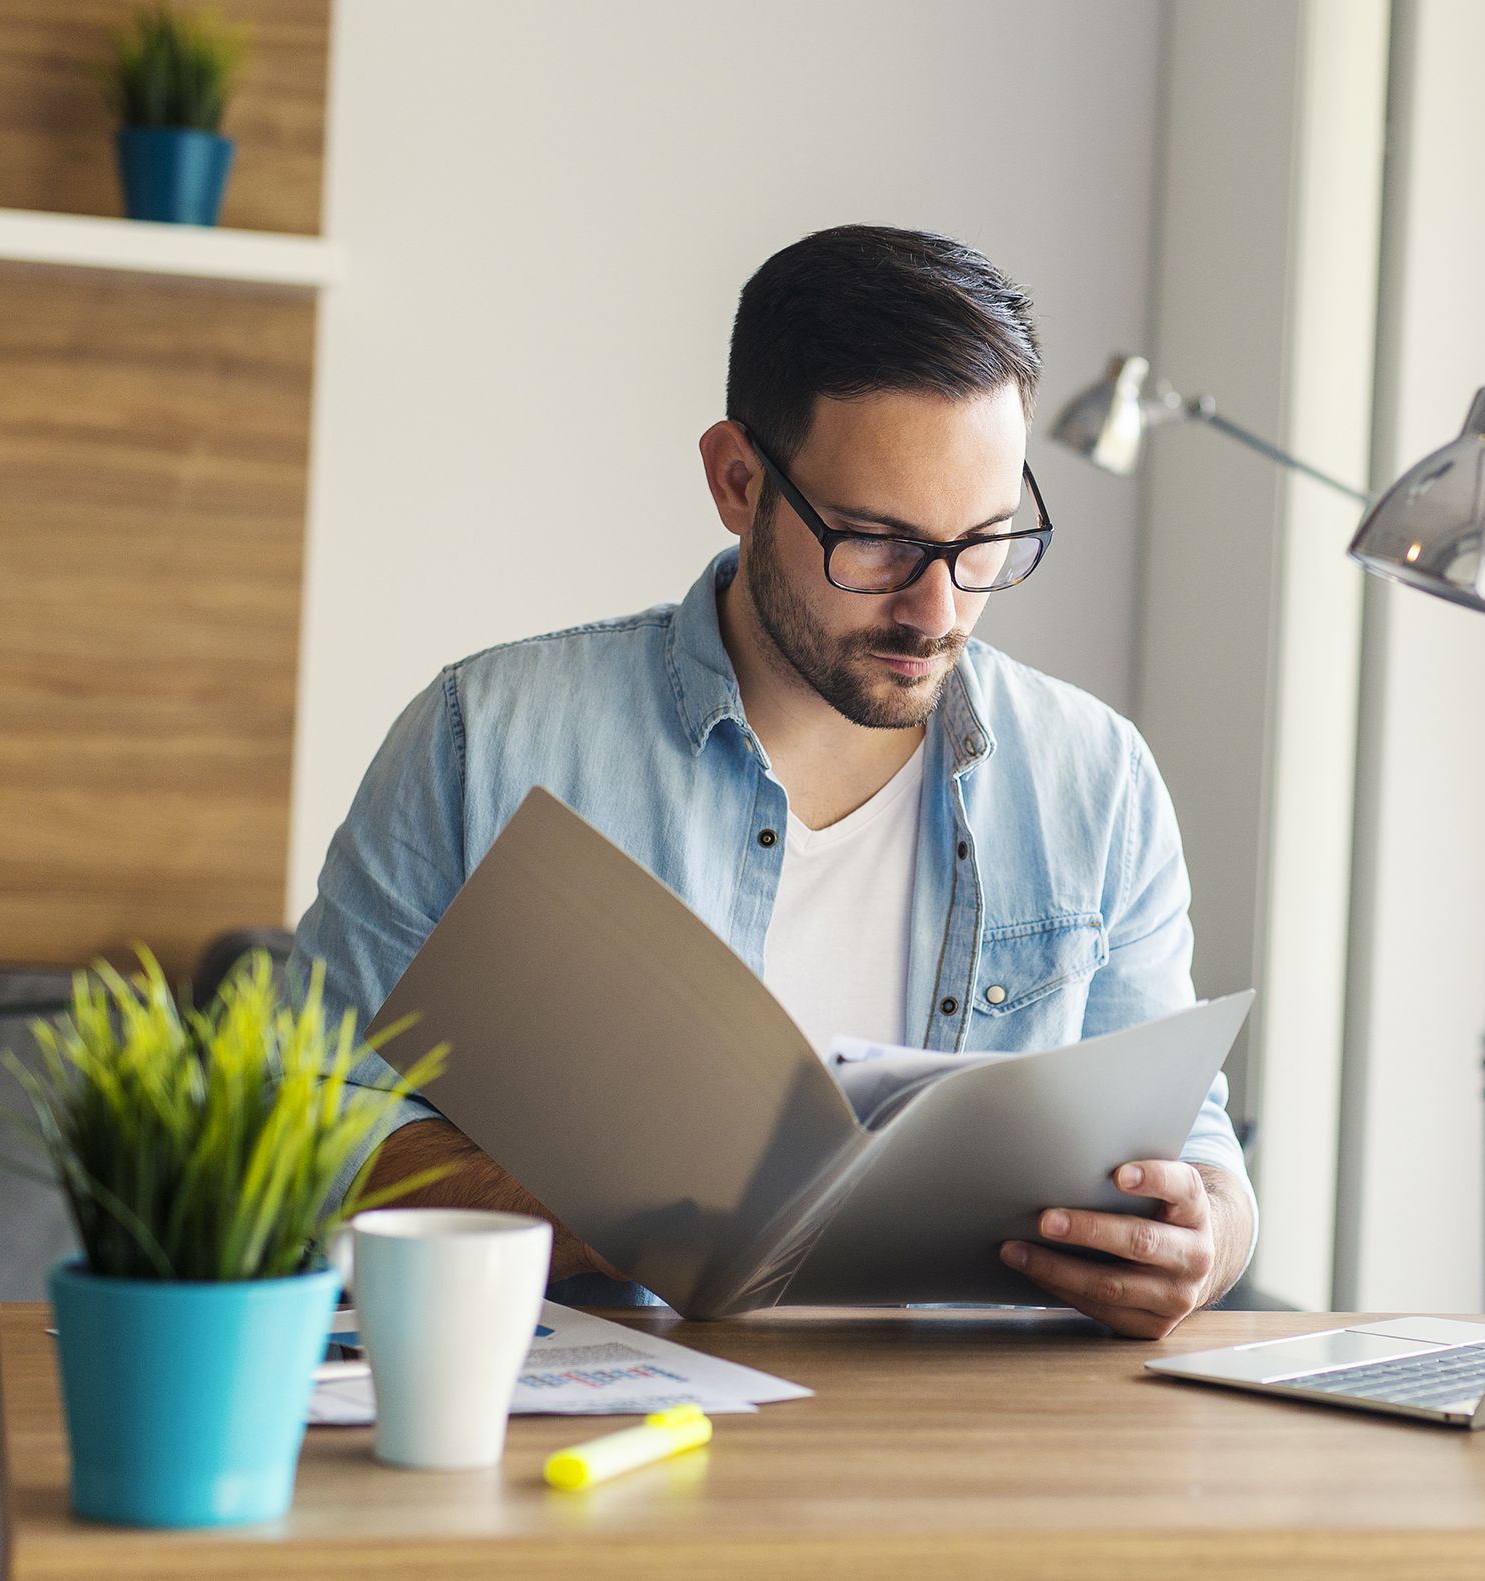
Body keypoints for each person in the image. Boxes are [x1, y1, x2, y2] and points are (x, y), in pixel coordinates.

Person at [292, 225, 1254, 1339]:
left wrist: (1206, 1235)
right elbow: (305, 1128)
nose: (937, 612)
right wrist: (590, 1214)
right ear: (738, 481)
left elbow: (1196, 1150)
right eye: (877, 543)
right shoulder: (486, 743)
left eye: (984, 542)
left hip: (974, 1446)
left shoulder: (1098, 781)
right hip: (618, 1442)